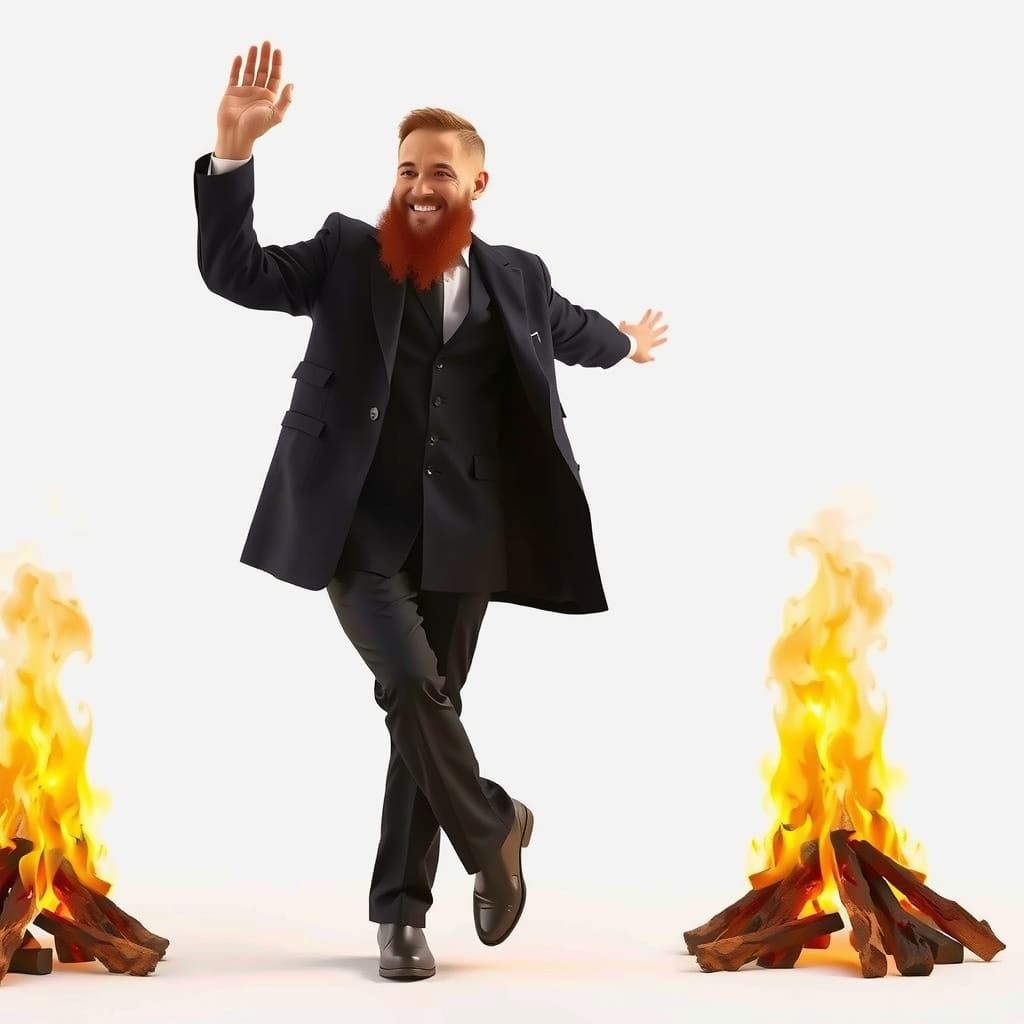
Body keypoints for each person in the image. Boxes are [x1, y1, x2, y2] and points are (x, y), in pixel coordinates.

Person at [193, 39, 669, 982]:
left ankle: (400, 920)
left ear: (478, 183)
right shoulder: (344, 253)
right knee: (410, 690)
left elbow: (573, 332)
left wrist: (628, 343)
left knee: (430, 712)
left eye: (438, 171)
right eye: (406, 169)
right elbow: (234, 272)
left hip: (468, 536)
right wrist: (233, 155)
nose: (419, 185)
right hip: (355, 532)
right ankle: (494, 827)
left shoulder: (517, 276)